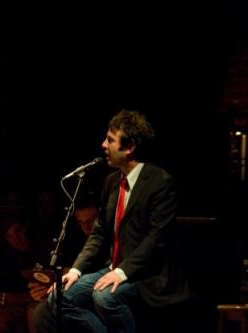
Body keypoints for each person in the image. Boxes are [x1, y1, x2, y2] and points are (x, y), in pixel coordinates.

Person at [33, 109, 189, 333]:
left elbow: (157, 239)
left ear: (129, 147)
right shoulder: (111, 182)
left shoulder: (160, 182)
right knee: (58, 297)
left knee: (104, 297)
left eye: (110, 140)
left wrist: (122, 272)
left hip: (147, 274)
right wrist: (76, 270)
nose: (103, 145)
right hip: (115, 267)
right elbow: (99, 233)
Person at [27, 192, 102, 333]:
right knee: (39, 311)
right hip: (75, 290)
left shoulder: (106, 236)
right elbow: (66, 270)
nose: (87, 227)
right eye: (81, 222)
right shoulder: (75, 238)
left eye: (91, 221)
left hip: (97, 289)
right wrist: (45, 288)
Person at [0, 218, 36, 333]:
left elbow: (38, 295)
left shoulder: (42, 250)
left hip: (33, 302)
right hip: (10, 303)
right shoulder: (4, 254)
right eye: (9, 236)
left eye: (18, 231)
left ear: (26, 228)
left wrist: (4, 298)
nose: (16, 239)